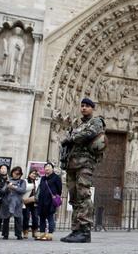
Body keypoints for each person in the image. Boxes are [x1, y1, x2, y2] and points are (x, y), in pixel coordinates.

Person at [60, 98, 106, 243]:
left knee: (84, 195)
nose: (84, 108)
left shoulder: (96, 122)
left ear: (92, 108)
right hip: (72, 164)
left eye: (87, 106)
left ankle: (85, 231)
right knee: (74, 197)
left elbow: (89, 134)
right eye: (82, 106)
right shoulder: (79, 125)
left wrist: (71, 138)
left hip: (85, 163)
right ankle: (76, 230)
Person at [36, 162, 62, 241]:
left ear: (52, 168)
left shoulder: (56, 177)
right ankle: (42, 234)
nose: (47, 168)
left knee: (50, 217)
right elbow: (40, 188)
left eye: (49, 166)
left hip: (50, 201)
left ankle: (50, 234)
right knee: (42, 218)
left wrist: (55, 196)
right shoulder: (43, 178)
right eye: (46, 167)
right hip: (42, 200)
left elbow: (59, 189)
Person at [0, 166, 26, 240]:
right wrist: (7, 187)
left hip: (17, 203)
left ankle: (19, 234)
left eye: (18, 173)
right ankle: (5, 234)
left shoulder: (22, 182)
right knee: (6, 218)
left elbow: (23, 190)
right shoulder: (8, 181)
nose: (16, 174)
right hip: (7, 202)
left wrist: (14, 187)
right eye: (15, 173)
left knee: (18, 219)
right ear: (12, 173)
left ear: (20, 174)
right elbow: (2, 191)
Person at [22, 169, 40, 239]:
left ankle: (35, 231)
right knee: (26, 217)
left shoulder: (37, 182)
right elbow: (24, 189)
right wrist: (33, 185)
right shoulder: (25, 181)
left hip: (34, 202)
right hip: (26, 201)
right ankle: (25, 232)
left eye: (35, 174)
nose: (33, 175)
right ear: (29, 174)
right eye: (32, 173)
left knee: (35, 217)